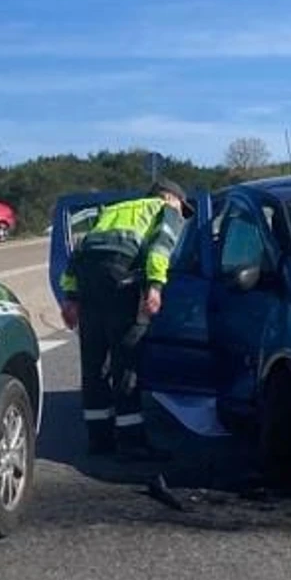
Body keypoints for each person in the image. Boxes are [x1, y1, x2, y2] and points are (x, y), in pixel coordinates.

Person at [58, 177, 194, 459]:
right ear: (171, 198)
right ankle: (132, 442)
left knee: (94, 364)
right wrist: (155, 286)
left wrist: (70, 297)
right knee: (125, 361)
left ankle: (99, 440)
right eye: (183, 208)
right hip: (122, 279)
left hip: (89, 282)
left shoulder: (113, 210)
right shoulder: (163, 209)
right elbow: (161, 247)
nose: (182, 215)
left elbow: (79, 252)